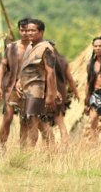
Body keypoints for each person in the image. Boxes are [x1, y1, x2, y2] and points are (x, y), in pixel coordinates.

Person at [17, 19, 57, 148]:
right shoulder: (30, 46)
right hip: (25, 90)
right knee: (35, 122)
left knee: (32, 121)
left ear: (41, 32)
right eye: (27, 30)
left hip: (37, 90)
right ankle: (52, 150)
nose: (29, 33)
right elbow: (26, 67)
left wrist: (51, 95)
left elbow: (51, 73)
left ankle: (29, 153)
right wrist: (19, 81)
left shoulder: (46, 48)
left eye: (33, 30)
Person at [0, 18, 31, 153]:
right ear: (19, 30)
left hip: (29, 87)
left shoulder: (35, 47)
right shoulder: (11, 47)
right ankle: (1, 146)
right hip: (10, 87)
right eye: (23, 30)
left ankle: (23, 150)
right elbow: (3, 67)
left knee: (25, 120)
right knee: (8, 117)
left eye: (28, 30)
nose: (25, 33)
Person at [49, 40, 78, 146]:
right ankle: (64, 147)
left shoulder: (46, 62)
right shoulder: (63, 61)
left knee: (46, 125)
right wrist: (75, 92)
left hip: (49, 95)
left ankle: (50, 150)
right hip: (61, 95)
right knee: (61, 123)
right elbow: (70, 79)